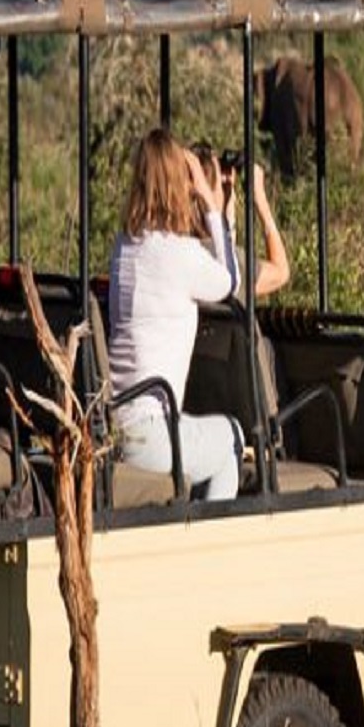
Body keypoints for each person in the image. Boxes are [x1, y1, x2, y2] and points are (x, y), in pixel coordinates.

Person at [109, 129, 244, 500]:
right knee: (232, 437)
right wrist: (213, 206)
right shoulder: (177, 253)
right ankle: (212, 549)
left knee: (200, 438)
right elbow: (230, 280)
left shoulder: (125, 247)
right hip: (150, 433)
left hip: (117, 424)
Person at [193, 144, 291, 299]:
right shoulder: (234, 264)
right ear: (207, 194)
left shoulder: (181, 252)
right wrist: (261, 200)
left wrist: (227, 199)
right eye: (219, 184)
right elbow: (281, 272)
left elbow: (223, 243)